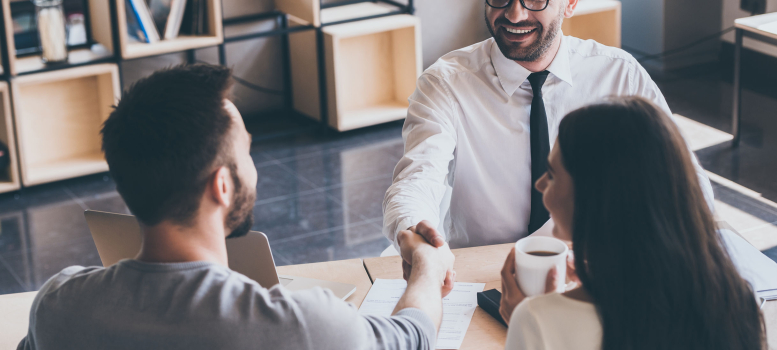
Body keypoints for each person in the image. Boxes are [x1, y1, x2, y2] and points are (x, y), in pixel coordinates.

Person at [18, 64, 456, 350]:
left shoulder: (58, 305)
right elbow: (411, 337)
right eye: (246, 151)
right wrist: (428, 269)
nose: (255, 166)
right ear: (222, 185)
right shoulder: (302, 328)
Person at [382, 0, 714, 251]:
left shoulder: (619, 75)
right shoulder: (445, 83)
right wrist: (414, 233)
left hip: (591, 265)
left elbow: (684, 181)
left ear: (570, 3)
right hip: (481, 268)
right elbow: (416, 179)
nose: (514, 14)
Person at [498, 97, 765, 350]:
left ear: (598, 199)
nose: (539, 183)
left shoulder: (537, 319)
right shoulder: (738, 301)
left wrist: (526, 325)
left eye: (553, 175)